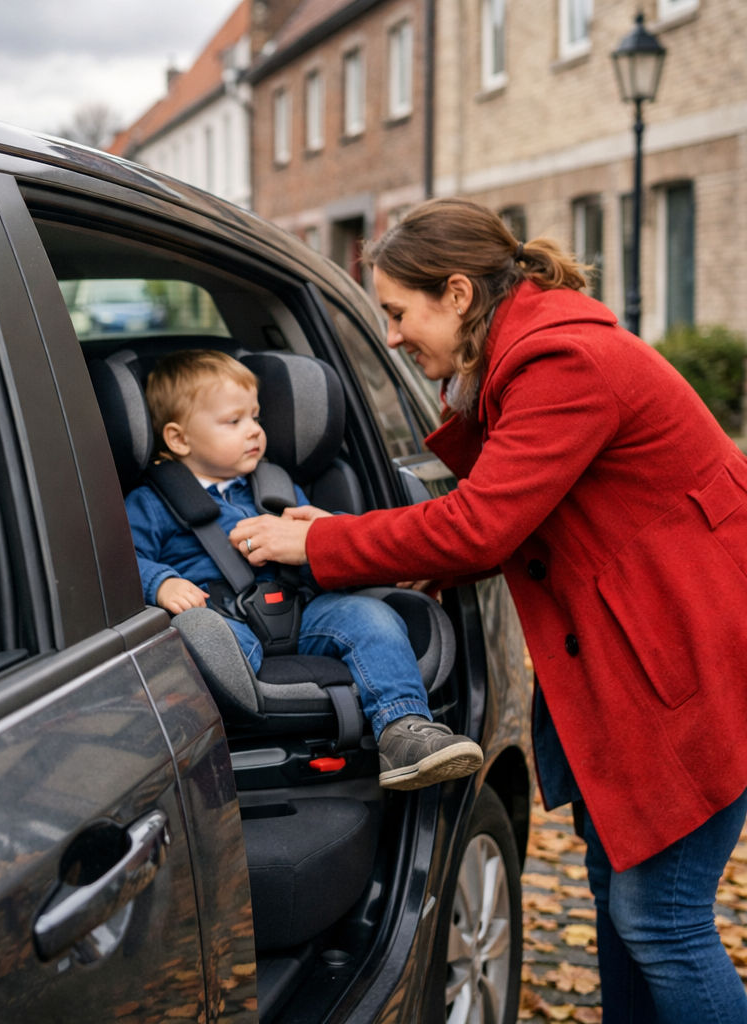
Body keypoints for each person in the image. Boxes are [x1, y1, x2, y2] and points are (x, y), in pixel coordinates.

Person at [231, 196, 747, 1023]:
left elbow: (482, 523)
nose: (391, 336)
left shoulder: (561, 362)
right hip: (649, 655)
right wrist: (393, 549)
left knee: (663, 919)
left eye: (399, 313)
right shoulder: (524, 355)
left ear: (459, 294)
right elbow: (519, 509)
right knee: (623, 893)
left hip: (695, 659)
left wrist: (320, 543)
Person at [127, 348, 483, 791]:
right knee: (205, 637)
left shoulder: (276, 486)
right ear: (179, 439)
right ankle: (199, 731)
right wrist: (161, 582)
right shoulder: (151, 502)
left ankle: (404, 729)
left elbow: (318, 551)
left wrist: (319, 544)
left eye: (255, 417)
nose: (255, 431)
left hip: (300, 609)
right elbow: (123, 562)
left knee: (371, 618)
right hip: (219, 616)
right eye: (233, 421)